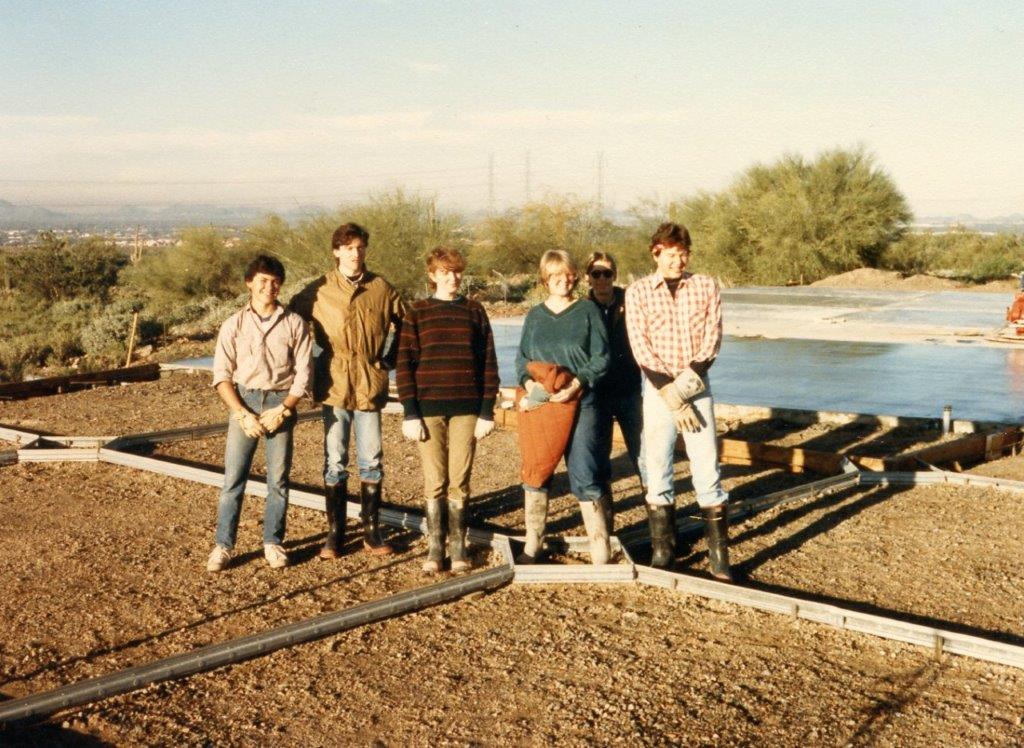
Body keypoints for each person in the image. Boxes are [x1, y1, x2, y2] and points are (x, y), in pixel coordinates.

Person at [290, 222, 407, 558]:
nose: (355, 254)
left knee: (372, 459)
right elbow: (291, 324)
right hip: (334, 382)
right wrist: (306, 363)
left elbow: (407, 322)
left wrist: (390, 356)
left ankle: (372, 530)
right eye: (349, 248)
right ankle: (335, 533)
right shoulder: (318, 290)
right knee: (335, 460)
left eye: (360, 248)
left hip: (370, 381)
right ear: (336, 252)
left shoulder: (381, 288)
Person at [625, 222, 733, 581]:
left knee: (706, 464)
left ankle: (719, 555)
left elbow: (712, 338)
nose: (678, 261)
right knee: (657, 465)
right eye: (672, 254)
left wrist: (684, 389)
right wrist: (669, 393)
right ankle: (663, 551)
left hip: (696, 387)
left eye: (683, 254)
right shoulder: (638, 292)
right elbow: (640, 346)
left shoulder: (704, 286)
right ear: (656, 253)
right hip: (657, 392)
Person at [395, 247, 500, 574]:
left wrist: (487, 411)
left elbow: (488, 362)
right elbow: (404, 366)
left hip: (467, 409)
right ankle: (435, 547)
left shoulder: (474, 311)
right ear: (432, 275)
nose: (451, 278)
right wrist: (410, 412)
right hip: (428, 410)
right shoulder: (417, 312)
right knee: (435, 479)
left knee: (460, 478)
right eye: (444, 272)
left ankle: (458, 549)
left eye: (456, 272)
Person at [207, 254, 312, 572]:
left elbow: (304, 373)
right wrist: (241, 413)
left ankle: (273, 543)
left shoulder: (295, 323)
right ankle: (223, 545)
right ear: (249, 283)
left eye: (275, 281)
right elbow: (222, 376)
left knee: (278, 480)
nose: (270, 286)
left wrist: (284, 409)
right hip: (245, 402)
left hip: (280, 403)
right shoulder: (234, 324)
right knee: (233, 479)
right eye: (263, 280)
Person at [515, 250, 610, 564]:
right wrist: (531, 387)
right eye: (556, 275)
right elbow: (522, 360)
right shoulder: (535, 316)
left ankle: (599, 544)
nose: (564, 280)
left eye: (569, 274)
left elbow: (602, 357)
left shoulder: (588, 311)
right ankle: (533, 541)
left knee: (584, 470)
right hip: (544, 402)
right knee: (537, 469)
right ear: (545, 278)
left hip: (582, 400)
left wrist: (577, 383)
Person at [585, 252, 645, 529]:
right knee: (599, 459)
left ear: (615, 275)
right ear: (588, 277)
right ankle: (606, 526)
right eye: (595, 273)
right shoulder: (581, 308)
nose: (601, 279)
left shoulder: (632, 302)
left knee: (644, 455)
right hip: (596, 394)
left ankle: (660, 528)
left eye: (606, 273)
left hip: (629, 391)